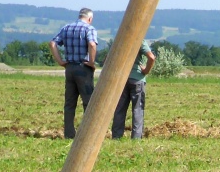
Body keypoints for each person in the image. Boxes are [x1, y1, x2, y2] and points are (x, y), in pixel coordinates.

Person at [49, 9, 100, 139]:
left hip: (69, 68)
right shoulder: (89, 29)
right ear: (89, 18)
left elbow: (53, 43)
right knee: (88, 102)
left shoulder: (66, 28)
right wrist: (92, 62)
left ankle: (69, 134)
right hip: (83, 68)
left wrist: (60, 61)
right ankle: (88, 133)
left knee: (70, 103)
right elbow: (92, 45)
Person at [112, 38, 155, 139]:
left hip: (122, 78)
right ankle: (136, 137)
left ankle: (116, 136)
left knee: (120, 109)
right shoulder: (140, 40)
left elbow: (107, 59)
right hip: (137, 79)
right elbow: (151, 57)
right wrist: (146, 70)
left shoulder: (121, 39)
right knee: (137, 109)